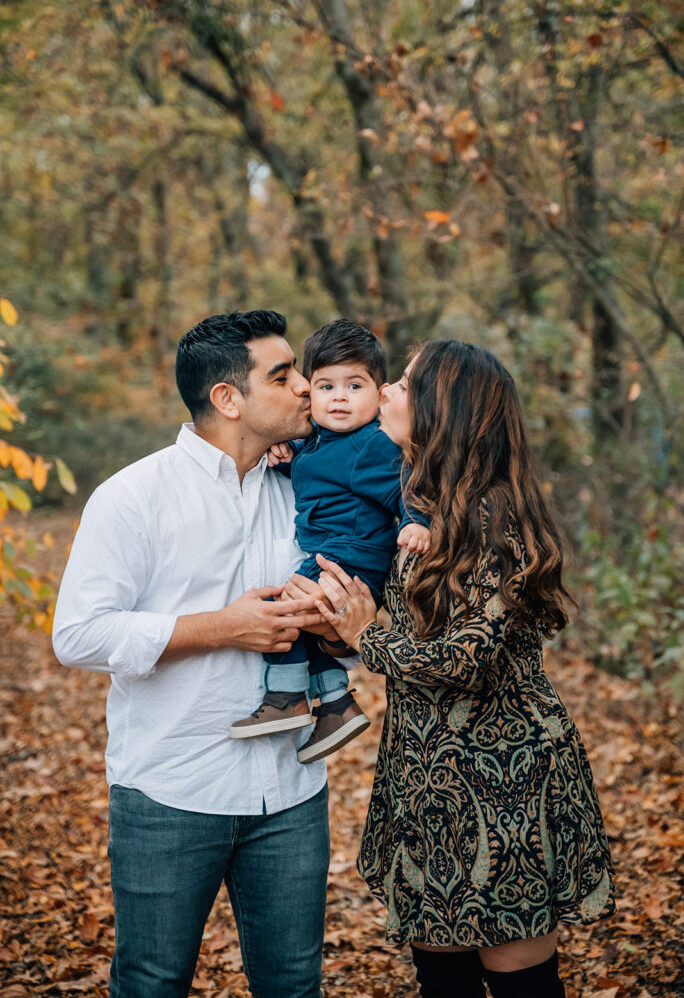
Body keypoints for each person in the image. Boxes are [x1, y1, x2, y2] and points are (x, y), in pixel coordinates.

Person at [311, 341, 616, 998]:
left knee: (518, 982)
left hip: (504, 780)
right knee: (443, 980)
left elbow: (463, 660)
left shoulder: (492, 514)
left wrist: (366, 637)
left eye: (404, 383)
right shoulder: (419, 500)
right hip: (427, 778)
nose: (385, 390)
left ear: (442, 409)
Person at [52, 310, 338, 998]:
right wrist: (223, 628)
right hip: (171, 788)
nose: (306, 387)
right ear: (228, 398)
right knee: (152, 982)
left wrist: (333, 628)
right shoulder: (133, 497)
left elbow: (340, 632)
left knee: (295, 985)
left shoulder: (307, 490)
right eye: (283, 376)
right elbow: (79, 634)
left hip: (291, 789)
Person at [230, 320, 430, 765]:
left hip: (350, 559)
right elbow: (321, 475)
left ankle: (287, 699)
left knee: (284, 609)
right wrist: (285, 456)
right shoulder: (319, 443)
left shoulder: (371, 445)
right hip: (331, 555)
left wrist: (417, 522)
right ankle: (336, 703)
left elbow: (408, 486)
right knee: (305, 619)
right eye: (326, 386)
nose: (339, 397)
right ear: (310, 392)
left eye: (354, 386)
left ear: (379, 394)